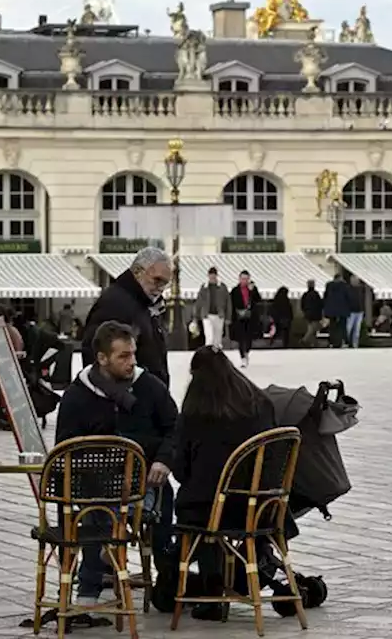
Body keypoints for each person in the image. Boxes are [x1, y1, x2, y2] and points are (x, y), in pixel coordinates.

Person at [56, 320, 176, 606]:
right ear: (102, 358)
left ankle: (168, 583)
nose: (131, 362)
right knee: (98, 511)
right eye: (123, 356)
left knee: (162, 503)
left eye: (133, 354)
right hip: (93, 487)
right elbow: (64, 447)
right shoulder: (78, 395)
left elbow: (175, 428)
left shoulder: (149, 386)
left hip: (145, 483)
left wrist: (163, 460)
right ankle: (89, 586)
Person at [171, 346, 281, 621]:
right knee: (212, 503)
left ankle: (212, 592)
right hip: (261, 507)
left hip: (211, 509)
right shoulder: (261, 404)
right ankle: (255, 569)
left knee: (202, 509)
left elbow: (181, 470)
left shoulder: (196, 413)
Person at [82, 247, 172, 388]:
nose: (161, 288)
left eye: (165, 283)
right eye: (157, 280)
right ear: (137, 272)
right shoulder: (115, 303)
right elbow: (96, 357)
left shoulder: (142, 305)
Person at [229, 271, 261, 368]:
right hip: (239, 317)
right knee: (240, 338)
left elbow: (258, 299)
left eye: (246, 279)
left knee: (249, 337)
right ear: (239, 279)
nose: (244, 281)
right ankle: (242, 357)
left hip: (250, 317)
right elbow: (231, 304)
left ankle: (246, 352)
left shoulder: (252, 289)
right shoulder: (235, 290)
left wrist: (252, 291)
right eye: (243, 279)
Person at [192, 267, 229, 351]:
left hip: (219, 315)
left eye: (213, 276)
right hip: (207, 315)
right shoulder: (204, 287)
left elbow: (228, 302)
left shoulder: (222, 287)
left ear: (216, 276)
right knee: (209, 338)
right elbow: (199, 302)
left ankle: (216, 356)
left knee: (217, 339)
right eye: (210, 276)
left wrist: (228, 317)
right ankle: (208, 356)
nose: (212, 278)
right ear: (208, 276)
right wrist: (195, 316)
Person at [321, 273, 350, 349]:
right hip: (342, 309)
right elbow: (348, 298)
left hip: (331, 310)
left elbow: (325, 297)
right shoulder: (345, 286)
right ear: (340, 278)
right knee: (342, 326)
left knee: (332, 326)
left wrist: (325, 309)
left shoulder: (329, 285)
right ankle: (344, 341)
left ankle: (332, 342)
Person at [299, 279, 323, 347]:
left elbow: (302, 305)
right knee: (312, 330)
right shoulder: (316, 294)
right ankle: (305, 340)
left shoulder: (305, 295)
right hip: (315, 315)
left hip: (308, 314)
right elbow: (320, 304)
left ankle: (314, 343)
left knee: (311, 329)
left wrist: (304, 312)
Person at [345, 275, 365, 348]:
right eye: (353, 280)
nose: (355, 282)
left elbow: (362, 300)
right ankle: (346, 342)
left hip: (359, 311)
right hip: (351, 311)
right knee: (348, 328)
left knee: (357, 329)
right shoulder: (348, 289)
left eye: (356, 280)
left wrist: (363, 309)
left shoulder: (361, 288)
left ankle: (355, 343)